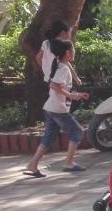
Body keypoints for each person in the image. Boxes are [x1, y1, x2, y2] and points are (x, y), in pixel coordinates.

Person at [23, 38, 90, 177]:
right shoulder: (63, 68)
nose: (74, 51)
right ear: (67, 53)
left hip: (51, 107)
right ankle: (69, 163)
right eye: (73, 49)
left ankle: (33, 165)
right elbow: (53, 85)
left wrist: (75, 94)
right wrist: (70, 96)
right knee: (77, 132)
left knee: (49, 137)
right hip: (57, 109)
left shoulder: (59, 65)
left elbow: (58, 88)